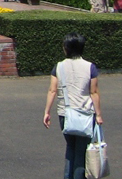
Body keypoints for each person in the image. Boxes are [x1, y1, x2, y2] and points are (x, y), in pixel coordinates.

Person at [43, 33, 103, 179]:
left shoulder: (59, 67)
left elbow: (52, 90)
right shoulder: (90, 67)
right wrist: (99, 115)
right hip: (86, 113)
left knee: (70, 147)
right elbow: (93, 92)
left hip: (65, 113)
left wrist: (47, 112)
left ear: (67, 49)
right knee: (81, 152)